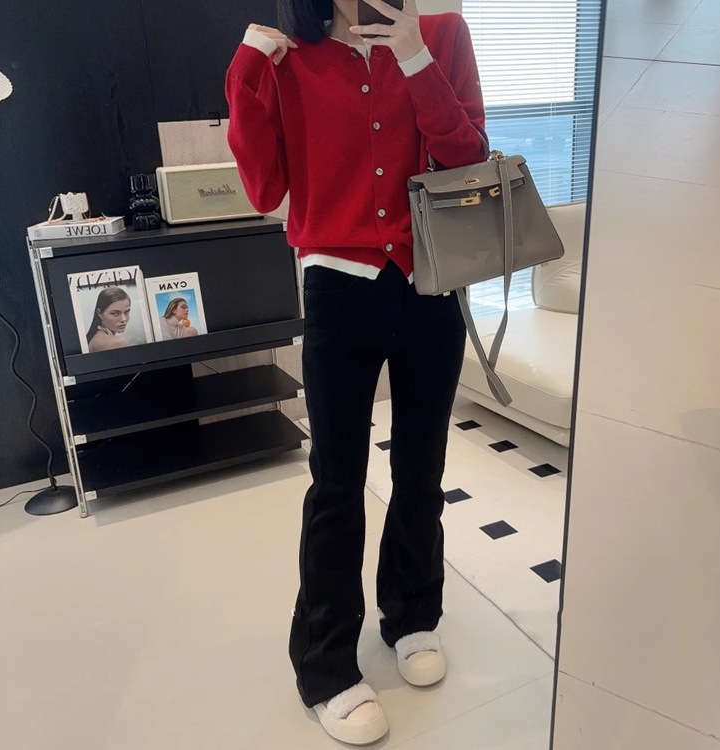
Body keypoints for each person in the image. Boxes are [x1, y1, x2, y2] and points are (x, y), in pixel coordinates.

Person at [226, 0, 486, 743]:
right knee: (336, 481)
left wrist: (414, 58)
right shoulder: (290, 57)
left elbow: (468, 156)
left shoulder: (440, 35)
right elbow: (264, 190)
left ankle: (413, 614)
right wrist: (247, 70)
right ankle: (326, 666)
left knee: (421, 467)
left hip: (430, 279)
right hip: (338, 287)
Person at [86, 287, 132, 353]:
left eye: (126, 312)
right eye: (115, 313)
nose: (123, 319)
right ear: (99, 313)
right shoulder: (117, 343)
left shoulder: (95, 338)